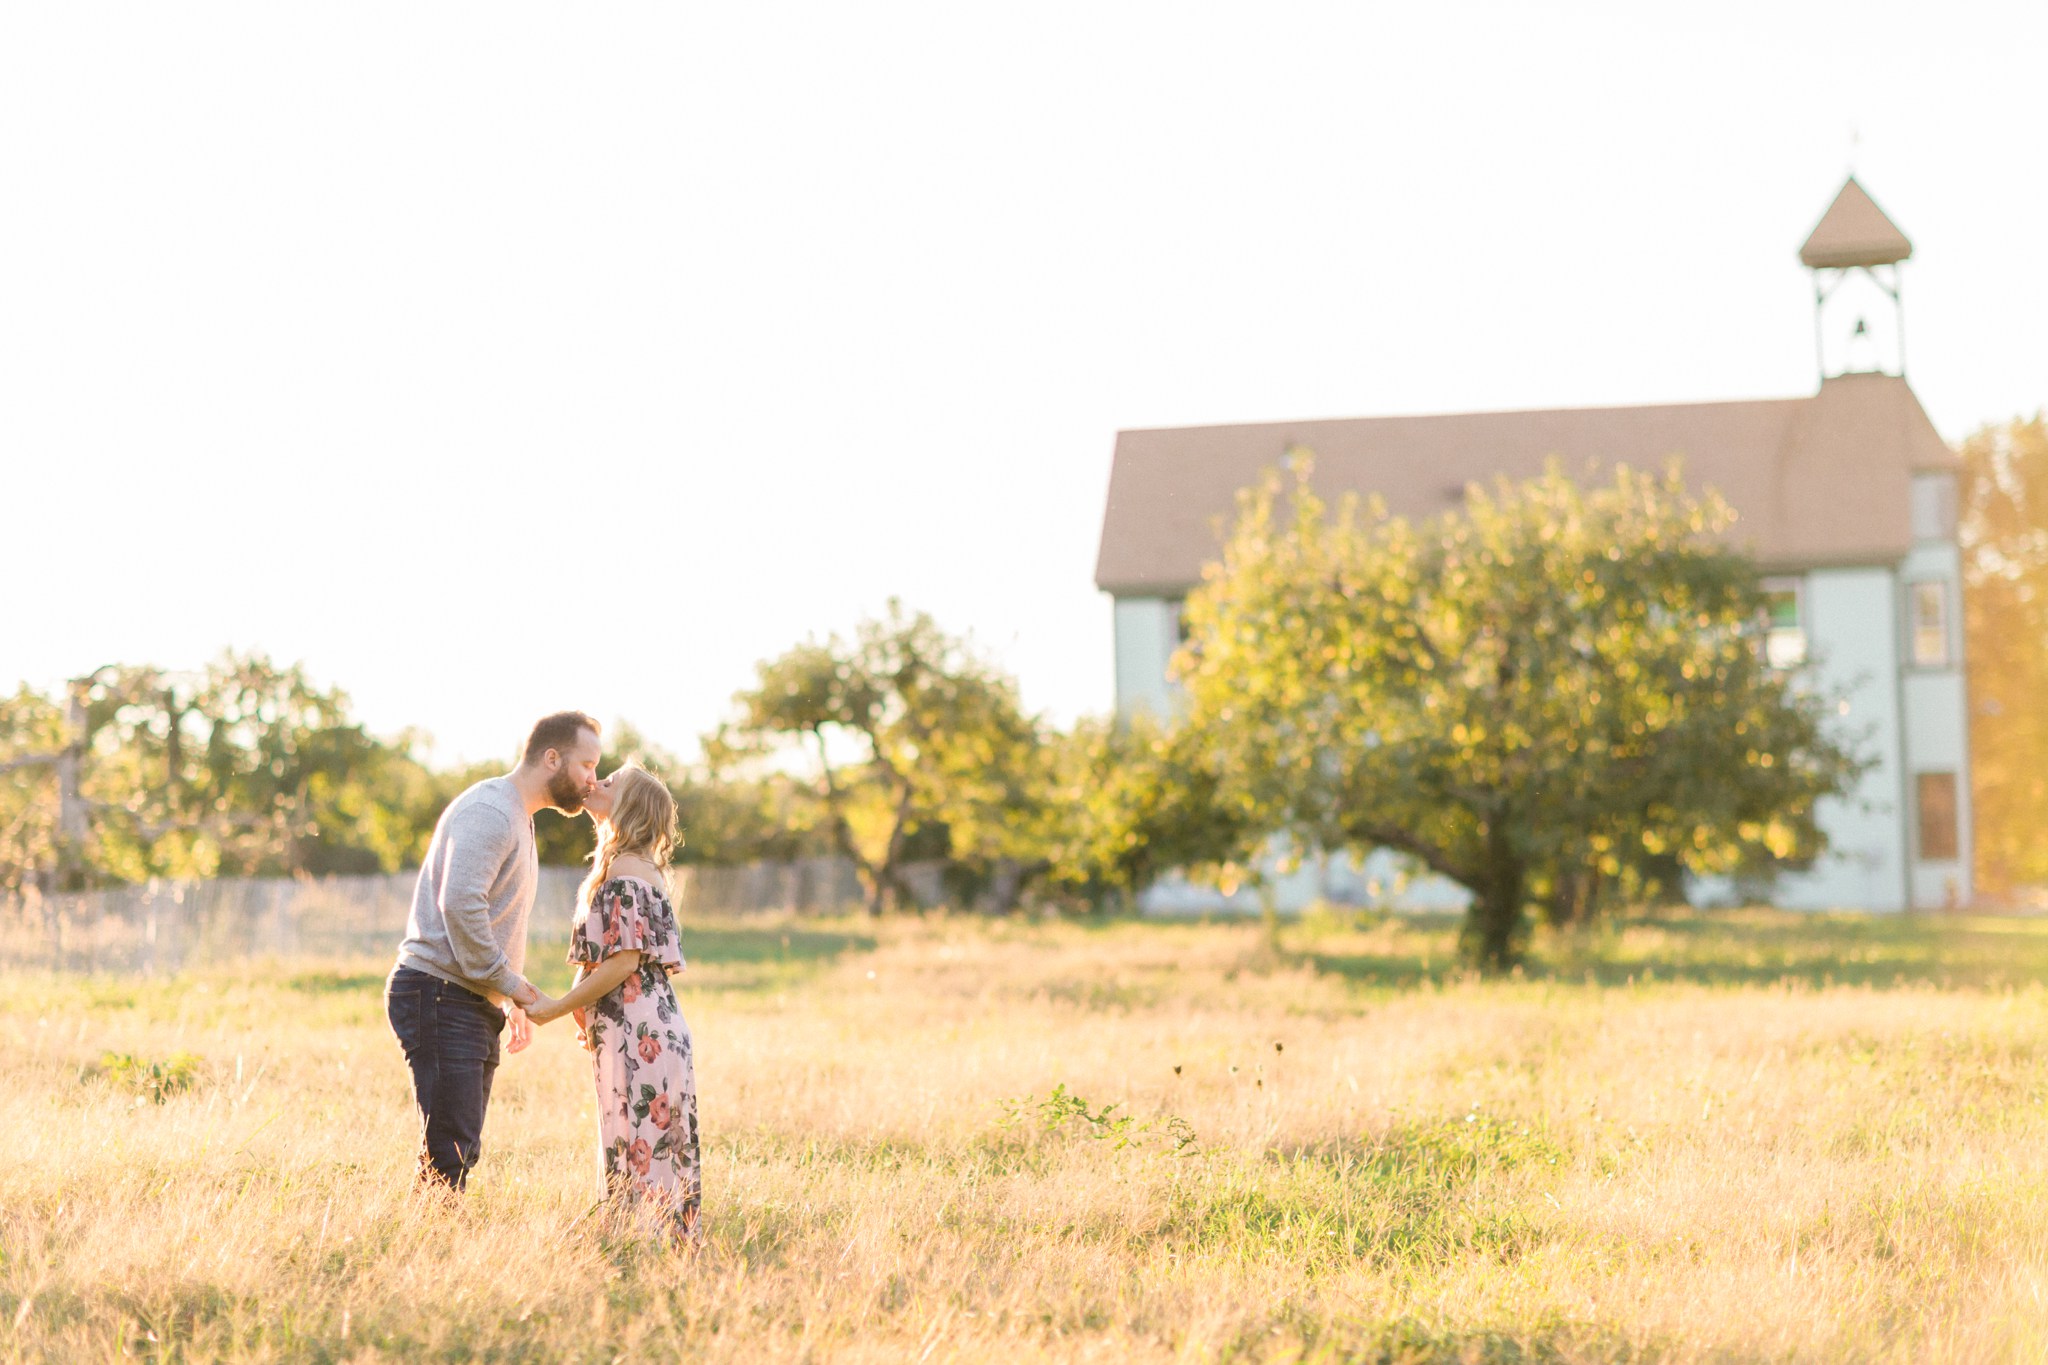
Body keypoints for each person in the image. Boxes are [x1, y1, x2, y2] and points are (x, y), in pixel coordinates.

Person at [384, 710, 601, 1192]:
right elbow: (461, 906)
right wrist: (515, 987)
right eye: (586, 765)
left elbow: (486, 918)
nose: (592, 779)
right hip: (438, 992)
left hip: (467, 996)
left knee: (458, 1146)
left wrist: (502, 995)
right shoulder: (492, 811)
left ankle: (435, 1241)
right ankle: (428, 1249)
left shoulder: (517, 817)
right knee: (450, 1148)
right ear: (551, 758)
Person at [522, 763, 700, 1243]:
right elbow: (606, 958)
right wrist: (583, 1010)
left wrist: (557, 1007)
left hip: (638, 1029)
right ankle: (638, 1240)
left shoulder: (624, 871)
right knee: (640, 1136)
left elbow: (622, 963)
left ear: (629, 807)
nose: (596, 783)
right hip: (643, 1025)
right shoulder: (629, 865)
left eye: (610, 783)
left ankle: (639, 1241)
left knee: (638, 1135)